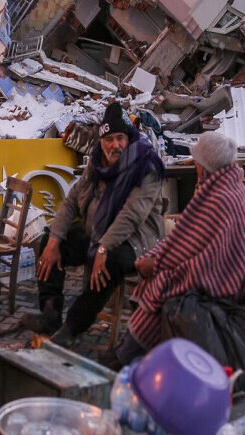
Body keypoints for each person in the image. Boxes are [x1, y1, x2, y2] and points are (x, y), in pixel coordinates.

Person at [21, 102, 165, 346]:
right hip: (97, 231)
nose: (115, 145)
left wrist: (103, 248)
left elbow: (131, 215)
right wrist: (55, 238)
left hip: (135, 240)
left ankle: (73, 326)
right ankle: (50, 312)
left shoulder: (145, 167)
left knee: (110, 263)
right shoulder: (97, 162)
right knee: (50, 240)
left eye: (120, 138)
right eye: (109, 139)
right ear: (101, 141)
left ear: (128, 138)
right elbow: (72, 200)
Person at [116, 132, 245, 366]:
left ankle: (129, 356)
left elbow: (191, 249)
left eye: (198, 163)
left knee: (161, 282)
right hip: (229, 272)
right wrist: (158, 258)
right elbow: (189, 241)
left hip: (222, 280)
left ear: (204, 166)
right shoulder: (232, 188)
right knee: (159, 276)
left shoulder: (218, 198)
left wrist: (156, 262)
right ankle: (130, 353)